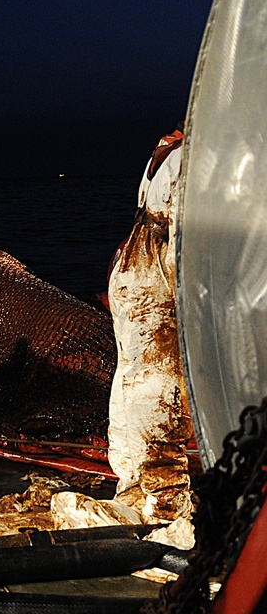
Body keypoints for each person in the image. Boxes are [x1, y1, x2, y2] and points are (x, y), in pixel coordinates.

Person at [105, 123, 194, 525]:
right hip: (157, 267)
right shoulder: (191, 155)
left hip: (135, 265)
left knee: (132, 374)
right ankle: (166, 504)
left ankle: (131, 489)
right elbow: (185, 226)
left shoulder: (168, 149)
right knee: (160, 379)